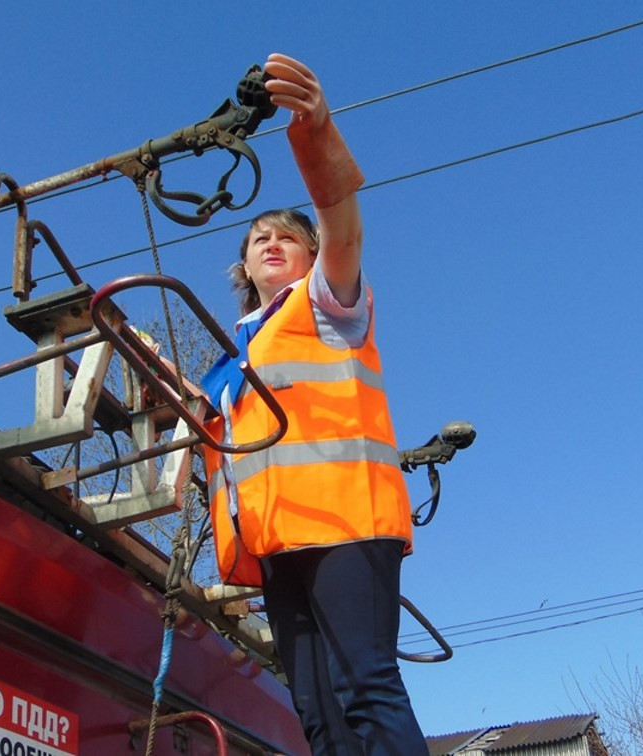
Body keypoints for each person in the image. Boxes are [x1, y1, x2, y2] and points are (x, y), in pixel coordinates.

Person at [200, 54, 428, 756]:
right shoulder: (230, 361)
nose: (271, 242)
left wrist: (316, 134)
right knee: (316, 711)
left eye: (286, 237)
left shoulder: (327, 303)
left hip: (343, 517)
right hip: (275, 538)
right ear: (243, 267)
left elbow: (343, 226)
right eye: (258, 237)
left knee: (363, 683)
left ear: (308, 257)